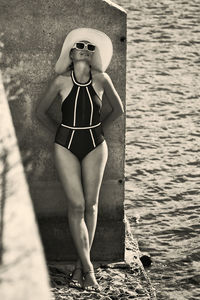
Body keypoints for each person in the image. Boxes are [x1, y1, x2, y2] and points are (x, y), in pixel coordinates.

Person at [36, 28, 124, 291]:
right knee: (76, 205)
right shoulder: (60, 81)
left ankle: (79, 266)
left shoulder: (102, 79)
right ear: (71, 53)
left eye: (90, 47)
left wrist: (97, 131)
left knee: (91, 206)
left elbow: (117, 110)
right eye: (80, 45)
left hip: (96, 145)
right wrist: (63, 135)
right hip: (66, 145)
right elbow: (40, 112)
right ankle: (89, 270)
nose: (85, 48)